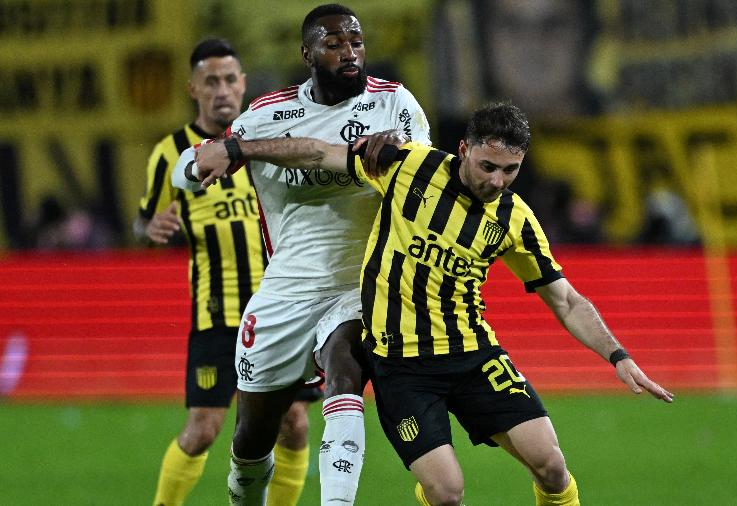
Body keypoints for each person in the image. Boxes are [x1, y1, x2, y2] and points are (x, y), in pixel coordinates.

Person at [186, 102, 674, 505]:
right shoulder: (407, 167)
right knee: (446, 493)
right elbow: (315, 152)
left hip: (473, 355)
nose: (498, 181)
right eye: (487, 166)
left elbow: (565, 300)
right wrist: (236, 148)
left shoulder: (515, 219)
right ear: (463, 150)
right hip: (402, 367)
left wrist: (617, 355)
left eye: (511, 170)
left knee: (551, 466)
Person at [171, 5, 431, 505]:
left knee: (345, 370)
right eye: (333, 43)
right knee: (252, 436)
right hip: (287, 290)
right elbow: (186, 169)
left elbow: (421, 174)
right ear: (307, 52)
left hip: (363, 282)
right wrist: (206, 157)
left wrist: (398, 149)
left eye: (356, 41)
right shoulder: (269, 114)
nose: (349, 52)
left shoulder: (394, 104)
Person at [136, 38, 321, 506]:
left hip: (282, 312)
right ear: (193, 89)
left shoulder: (267, 141)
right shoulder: (172, 153)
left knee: (295, 424)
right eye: (210, 81)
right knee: (203, 430)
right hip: (216, 315)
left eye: (229, 79)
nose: (222, 89)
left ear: (242, 84)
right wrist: (149, 226)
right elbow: (143, 219)